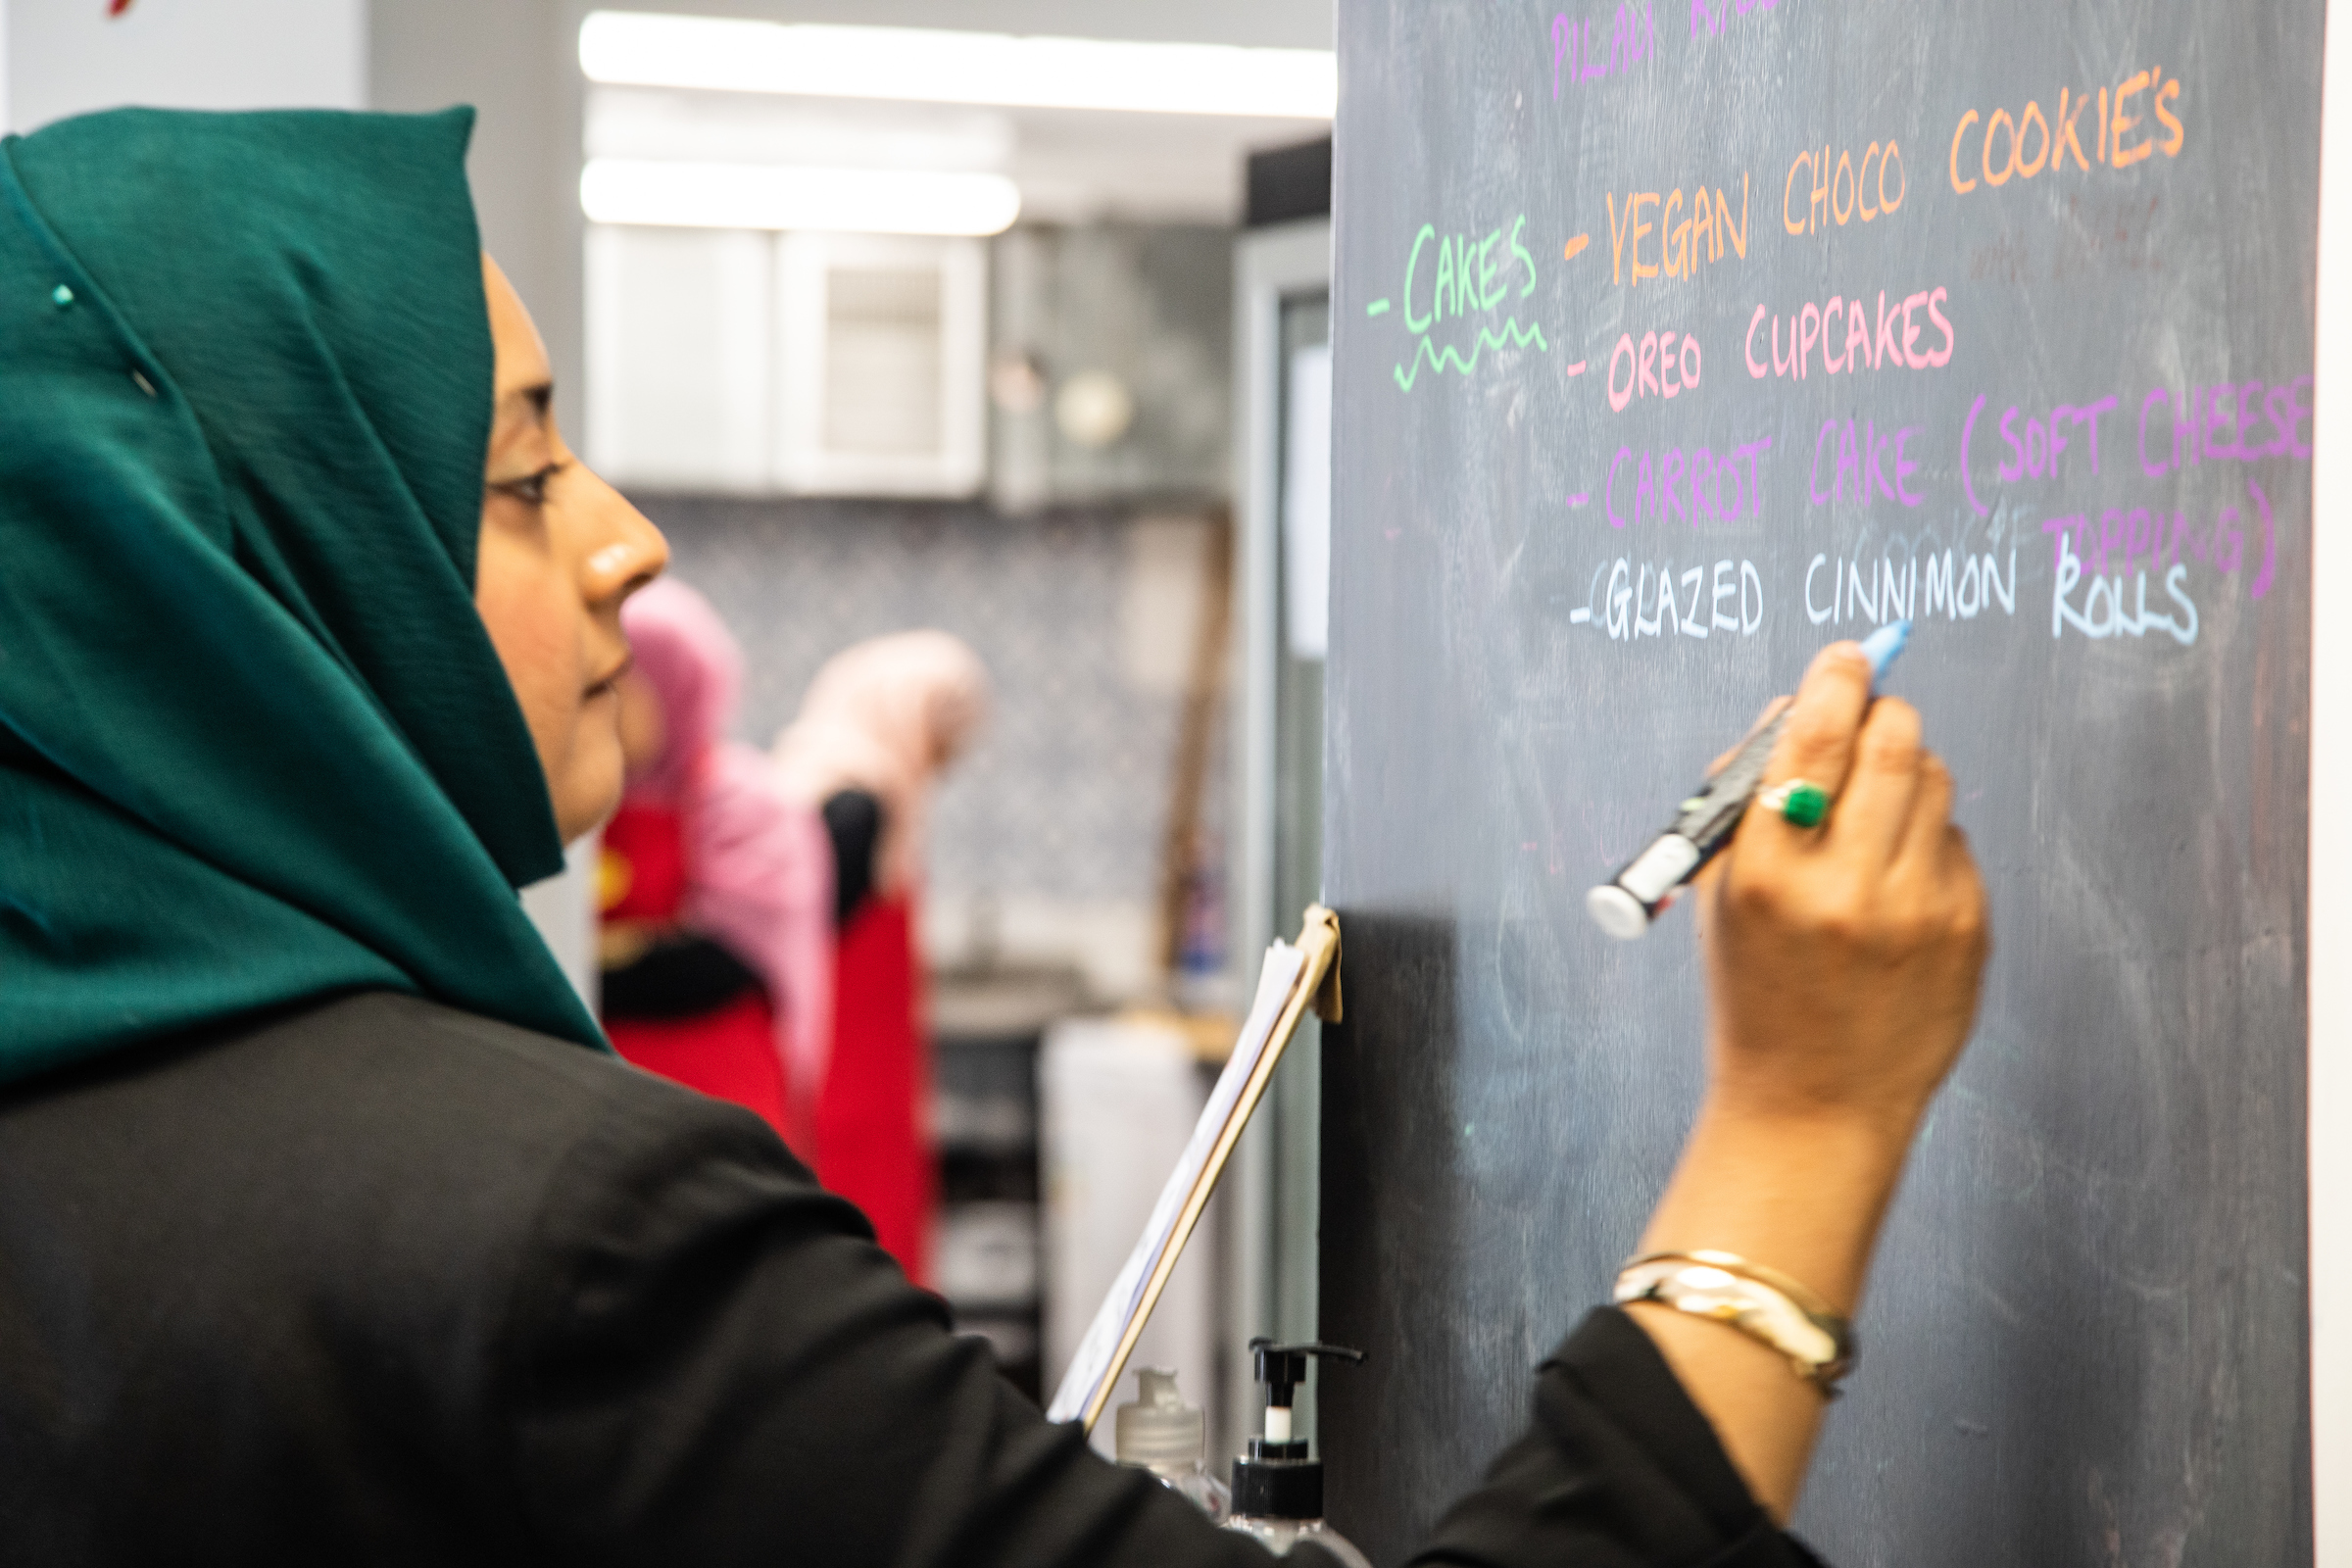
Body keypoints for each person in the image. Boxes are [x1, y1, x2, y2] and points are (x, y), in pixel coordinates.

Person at [0, 107, 1987, 1564]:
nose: (630, 539)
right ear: (246, 576)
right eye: (523, 472)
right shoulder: (560, 1248)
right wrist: (1800, 1124)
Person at [773, 630, 990, 1284]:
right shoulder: (853, 802)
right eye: (943, 724)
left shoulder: (860, 787)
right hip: (843, 1071)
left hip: (869, 1065)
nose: (949, 749)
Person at [598, 577, 834, 1152]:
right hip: (603, 1095)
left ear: (672, 684)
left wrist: (603, 959)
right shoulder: (582, 799)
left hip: (716, 1098)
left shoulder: (740, 798)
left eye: (618, 685)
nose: (601, 704)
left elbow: (722, 963)